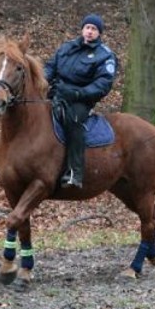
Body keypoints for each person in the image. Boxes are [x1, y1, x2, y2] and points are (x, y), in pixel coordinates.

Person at [45, 13, 118, 189]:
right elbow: (50, 67)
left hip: (80, 100)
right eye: (88, 27)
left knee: (73, 119)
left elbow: (103, 84)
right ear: (82, 29)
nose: (90, 31)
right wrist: (43, 80)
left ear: (99, 33)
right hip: (57, 92)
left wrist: (79, 94)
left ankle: (74, 171)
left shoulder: (105, 56)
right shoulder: (67, 47)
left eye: (94, 29)